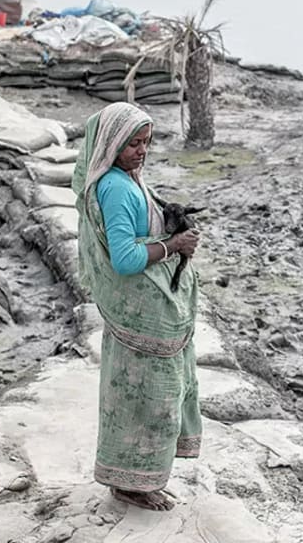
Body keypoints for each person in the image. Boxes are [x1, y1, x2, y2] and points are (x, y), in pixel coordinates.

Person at [72, 101, 202, 511]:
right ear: (111, 145)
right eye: (133, 144)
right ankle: (131, 483)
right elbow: (126, 260)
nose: (142, 151)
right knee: (150, 401)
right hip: (142, 316)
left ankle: (137, 478)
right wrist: (173, 246)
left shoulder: (128, 180)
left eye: (146, 143)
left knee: (147, 397)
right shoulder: (114, 188)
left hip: (145, 315)